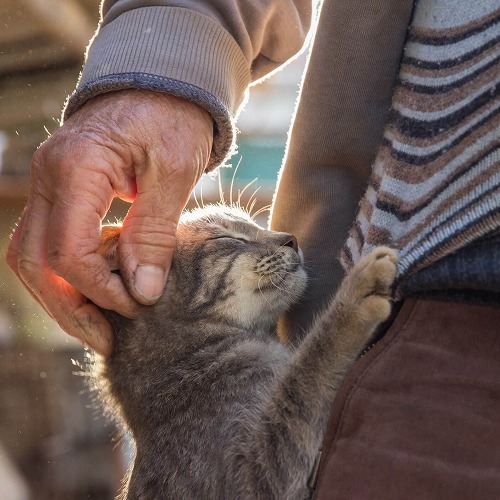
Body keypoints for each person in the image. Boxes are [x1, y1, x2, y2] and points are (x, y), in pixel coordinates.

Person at [7, 0, 500, 497]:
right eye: (231, 241)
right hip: (431, 318)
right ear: (150, 280)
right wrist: (159, 64)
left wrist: (336, 332)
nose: (283, 240)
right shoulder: (192, 393)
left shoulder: (199, 393)